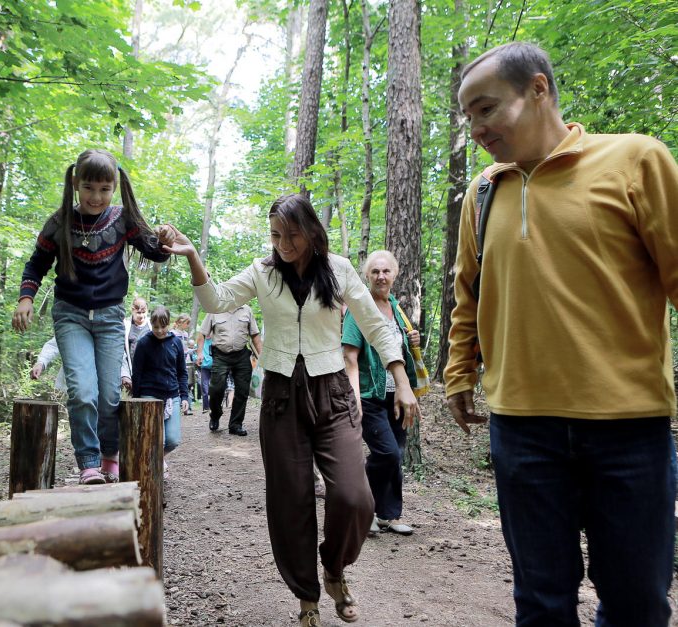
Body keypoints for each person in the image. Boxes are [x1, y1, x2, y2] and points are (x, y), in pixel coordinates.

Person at [445, 42, 678, 626]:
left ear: (539, 89)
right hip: (523, 430)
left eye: (487, 109)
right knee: (541, 602)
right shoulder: (482, 191)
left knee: (637, 604)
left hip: (630, 429)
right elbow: (467, 294)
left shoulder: (636, 161)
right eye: (467, 116)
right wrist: (458, 373)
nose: (476, 127)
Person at [158, 193, 418, 626]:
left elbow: (375, 324)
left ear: (312, 230)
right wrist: (192, 256)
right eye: (276, 234)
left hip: (332, 392)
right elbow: (217, 301)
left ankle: (334, 571)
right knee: (290, 500)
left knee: (354, 496)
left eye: (292, 234)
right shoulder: (262, 272)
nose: (282, 243)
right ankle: (306, 597)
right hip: (280, 394)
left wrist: (403, 382)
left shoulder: (338, 270)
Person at [12, 148, 169, 486]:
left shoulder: (122, 220)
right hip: (71, 316)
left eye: (104, 189)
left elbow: (154, 250)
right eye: (88, 188)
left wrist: (166, 239)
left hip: (111, 318)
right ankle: (88, 463)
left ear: (114, 187)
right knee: (83, 391)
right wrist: (26, 298)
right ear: (75, 183)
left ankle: (110, 456)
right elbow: (36, 264)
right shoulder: (59, 223)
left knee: (109, 394)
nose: (96, 197)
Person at [342, 250, 419, 536]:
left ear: (395, 274)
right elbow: (350, 356)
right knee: (386, 453)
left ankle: (389, 514)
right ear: (367, 276)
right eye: (375, 271)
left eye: (386, 271)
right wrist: (354, 399)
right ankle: (363, 508)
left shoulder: (396, 308)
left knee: (396, 453)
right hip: (370, 395)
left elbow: (399, 349)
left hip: (397, 394)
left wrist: (414, 339)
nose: (380, 276)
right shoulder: (358, 309)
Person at [131, 306, 189, 476]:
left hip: (172, 395)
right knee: (157, 439)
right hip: (149, 395)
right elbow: (137, 373)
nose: (159, 331)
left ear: (169, 324)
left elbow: (182, 372)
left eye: (163, 327)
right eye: (156, 327)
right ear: (152, 324)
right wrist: (136, 399)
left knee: (172, 440)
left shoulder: (176, 342)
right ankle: (153, 468)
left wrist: (184, 396)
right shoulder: (144, 343)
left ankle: (156, 459)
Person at [196, 306, 262, 435]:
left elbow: (254, 335)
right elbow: (202, 333)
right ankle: (215, 415)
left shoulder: (247, 310)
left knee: (242, 391)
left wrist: (262, 357)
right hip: (220, 355)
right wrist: (199, 353)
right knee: (216, 389)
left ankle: (235, 425)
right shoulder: (215, 309)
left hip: (242, 355)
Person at [121, 297, 151, 390]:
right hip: (131, 373)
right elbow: (121, 352)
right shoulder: (125, 326)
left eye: (143, 312)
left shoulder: (152, 327)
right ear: (133, 310)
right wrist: (125, 374)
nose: (141, 316)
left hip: (149, 375)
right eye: (138, 313)